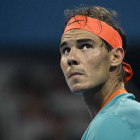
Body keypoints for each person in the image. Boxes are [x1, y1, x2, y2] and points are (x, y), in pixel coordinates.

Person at [59, 5, 140, 140]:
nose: (71, 58)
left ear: (116, 57)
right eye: (66, 50)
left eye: (86, 46)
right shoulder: (126, 116)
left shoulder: (112, 122)